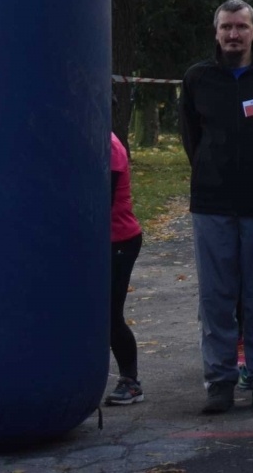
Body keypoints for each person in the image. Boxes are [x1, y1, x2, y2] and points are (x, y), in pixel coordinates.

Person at [181, 0, 253, 414]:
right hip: (211, 205)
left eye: (241, 27)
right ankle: (220, 381)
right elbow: (192, 139)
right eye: (226, 27)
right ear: (216, 32)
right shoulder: (198, 78)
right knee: (216, 297)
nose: (234, 34)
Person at [105, 132, 145, 407]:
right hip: (90, 242)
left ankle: (131, 381)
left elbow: (100, 200)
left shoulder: (111, 146)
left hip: (119, 240)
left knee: (109, 313)